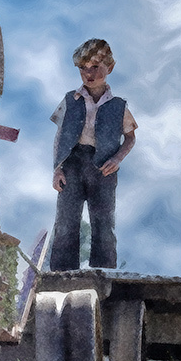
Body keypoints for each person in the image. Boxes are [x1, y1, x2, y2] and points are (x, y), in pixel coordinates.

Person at [49, 39, 137, 271]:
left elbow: (130, 137)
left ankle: (103, 271)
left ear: (110, 67)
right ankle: (62, 271)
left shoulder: (118, 106)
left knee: (103, 221)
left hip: (104, 167)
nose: (89, 73)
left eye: (95, 67)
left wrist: (117, 159)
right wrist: (57, 168)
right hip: (73, 164)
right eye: (83, 68)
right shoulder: (70, 100)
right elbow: (60, 135)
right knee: (67, 220)